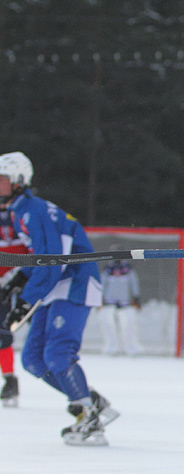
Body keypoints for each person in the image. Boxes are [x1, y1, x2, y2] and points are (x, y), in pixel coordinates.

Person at [0, 151, 119, 445]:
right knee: (32, 360)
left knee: (57, 354)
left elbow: (51, 260)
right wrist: (16, 280)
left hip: (74, 282)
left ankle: (89, 417)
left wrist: (26, 301)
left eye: (1, 180)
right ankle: (90, 400)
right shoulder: (20, 211)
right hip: (54, 285)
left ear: (18, 181)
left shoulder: (33, 210)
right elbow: (37, 258)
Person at [0, 206, 29, 408]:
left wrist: (14, 277)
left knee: (2, 334)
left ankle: (10, 379)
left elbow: (31, 251)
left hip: (8, 285)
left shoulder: (21, 215)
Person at [99, 256, 142, 355]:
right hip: (109, 300)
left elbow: (133, 282)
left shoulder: (128, 268)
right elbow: (103, 283)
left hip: (125, 301)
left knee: (128, 324)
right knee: (108, 324)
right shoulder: (108, 269)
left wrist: (136, 296)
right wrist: (100, 297)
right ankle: (110, 347)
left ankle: (130, 347)